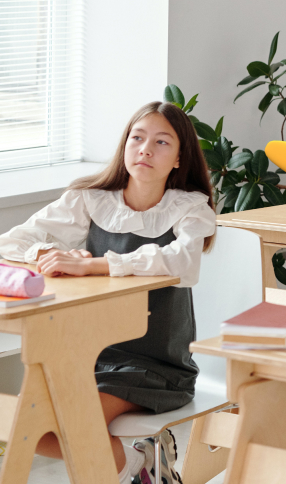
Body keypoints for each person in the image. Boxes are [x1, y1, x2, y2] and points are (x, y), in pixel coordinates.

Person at [0, 102, 217, 484]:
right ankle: (137, 466)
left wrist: (95, 264)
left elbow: (181, 263)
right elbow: (12, 242)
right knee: (29, 426)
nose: (145, 149)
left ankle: (134, 470)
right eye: (137, 138)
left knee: (70, 426)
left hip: (157, 363)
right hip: (89, 354)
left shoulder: (190, 209)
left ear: (180, 157)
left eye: (161, 142)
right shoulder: (93, 200)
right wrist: (48, 253)